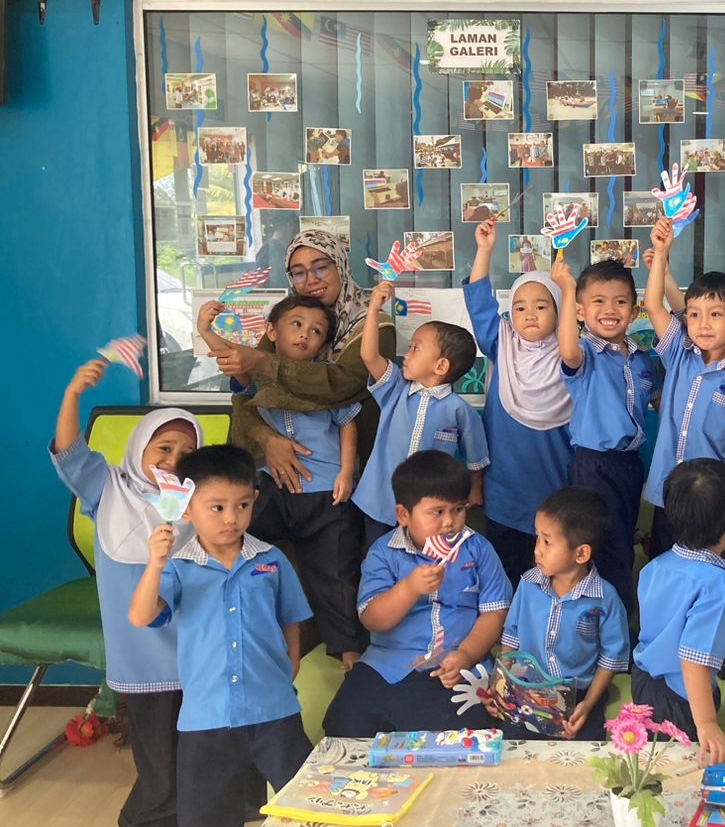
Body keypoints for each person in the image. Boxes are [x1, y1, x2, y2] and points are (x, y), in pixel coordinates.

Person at [128, 445, 313, 827]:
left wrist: (292, 661)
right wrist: (155, 564)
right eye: (216, 507)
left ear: (255, 500)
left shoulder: (271, 560)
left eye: (242, 505)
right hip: (206, 718)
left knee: (306, 805)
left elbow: (291, 618)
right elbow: (141, 616)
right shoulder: (178, 566)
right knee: (206, 820)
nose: (231, 518)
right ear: (186, 509)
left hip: (274, 710)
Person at [52, 361, 201, 827]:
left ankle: (195, 811)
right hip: (140, 652)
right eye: (164, 447)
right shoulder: (107, 485)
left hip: (191, 643)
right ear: (140, 447)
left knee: (194, 738)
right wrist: (73, 392)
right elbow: (69, 451)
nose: (174, 459)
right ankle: (145, 820)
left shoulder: (196, 498)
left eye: (187, 452)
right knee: (155, 747)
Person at [197, 294, 364, 670]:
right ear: (272, 332)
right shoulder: (259, 374)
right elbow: (233, 358)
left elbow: (347, 425)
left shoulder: (326, 381)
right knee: (235, 536)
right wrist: (205, 330)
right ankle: (224, 626)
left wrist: (345, 473)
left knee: (336, 574)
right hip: (274, 486)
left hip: (325, 493)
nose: (305, 334)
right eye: (297, 325)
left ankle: (349, 652)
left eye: (316, 331)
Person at [323, 451, 512, 737]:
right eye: (438, 512)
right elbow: (372, 619)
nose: (449, 522)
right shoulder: (384, 553)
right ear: (403, 515)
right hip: (387, 664)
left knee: (460, 735)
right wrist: (409, 588)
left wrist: (466, 655)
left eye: (458, 509)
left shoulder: (478, 550)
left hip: (455, 666)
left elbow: (495, 613)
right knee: (346, 724)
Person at [218, 230, 397, 494]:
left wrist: (262, 362)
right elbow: (248, 393)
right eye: (298, 273)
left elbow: (342, 386)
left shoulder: (373, 324)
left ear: (340, 265)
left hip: (353, 470)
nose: (311, 280)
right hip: (282, 472)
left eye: (321, 268)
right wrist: (267, 439)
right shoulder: (285, 321)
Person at [643, 215, 725, 557]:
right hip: (668, 493)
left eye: (715, 315)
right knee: (665, 564)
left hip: (714, 499)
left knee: (712, 569)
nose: (702, 324)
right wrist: (662, 253)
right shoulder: (678, 353)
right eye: (694, 314)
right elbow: (654, 305)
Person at [464, 219, 574, 585]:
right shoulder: (503, 344)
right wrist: (484, 250)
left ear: (559, 311)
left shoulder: (572, 354)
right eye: (520, 307)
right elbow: (480, 305)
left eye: (542, 306)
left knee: (553, 570)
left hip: (555, 484)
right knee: (506, 570)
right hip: (506, 488)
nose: (529, 314)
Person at [550, 257, 657, 617]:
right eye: (598, 301)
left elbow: (663, 402)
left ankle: (615, 623)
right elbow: (567, 350)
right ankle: (598, 624)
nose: (610, 310)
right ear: (581, 311)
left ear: (634, 310)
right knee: (597, 546)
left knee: (623, 542)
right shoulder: (585, 355)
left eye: (620, 301)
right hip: (592, 466)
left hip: (630, 465)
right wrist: (567, 291)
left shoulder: (643, 360)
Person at [632, 458, 725, 765]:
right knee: (682, 769)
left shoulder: (656, 566)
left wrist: (724, 625)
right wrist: (706, 723)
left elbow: (670, 620)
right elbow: (693, 660)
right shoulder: (718, 586)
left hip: (644, 681)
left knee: (655, 764)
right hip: (682, 698)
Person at [352, 281, 489, 537]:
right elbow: (369, 356)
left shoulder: (458, 410)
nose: (406, 354)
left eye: (415, 348)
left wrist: (475, 489)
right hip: (380, 501)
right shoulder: (395, 389)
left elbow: (476, 456)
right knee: (381, 556)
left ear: (441, 366)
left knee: (424, 557)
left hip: (429, 511)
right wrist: (372, 309)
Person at [498, 487, 630, 740]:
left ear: (581, 553)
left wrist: (588, 704)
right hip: (528, 691)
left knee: (585, 750)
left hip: (580, 695)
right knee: (514, 747)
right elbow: (511, 636)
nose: (537, 550)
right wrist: (503, 686)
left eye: (547, 542)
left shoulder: (605, 598)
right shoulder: (528, 584)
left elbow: (612, 656)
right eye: (537, 537)